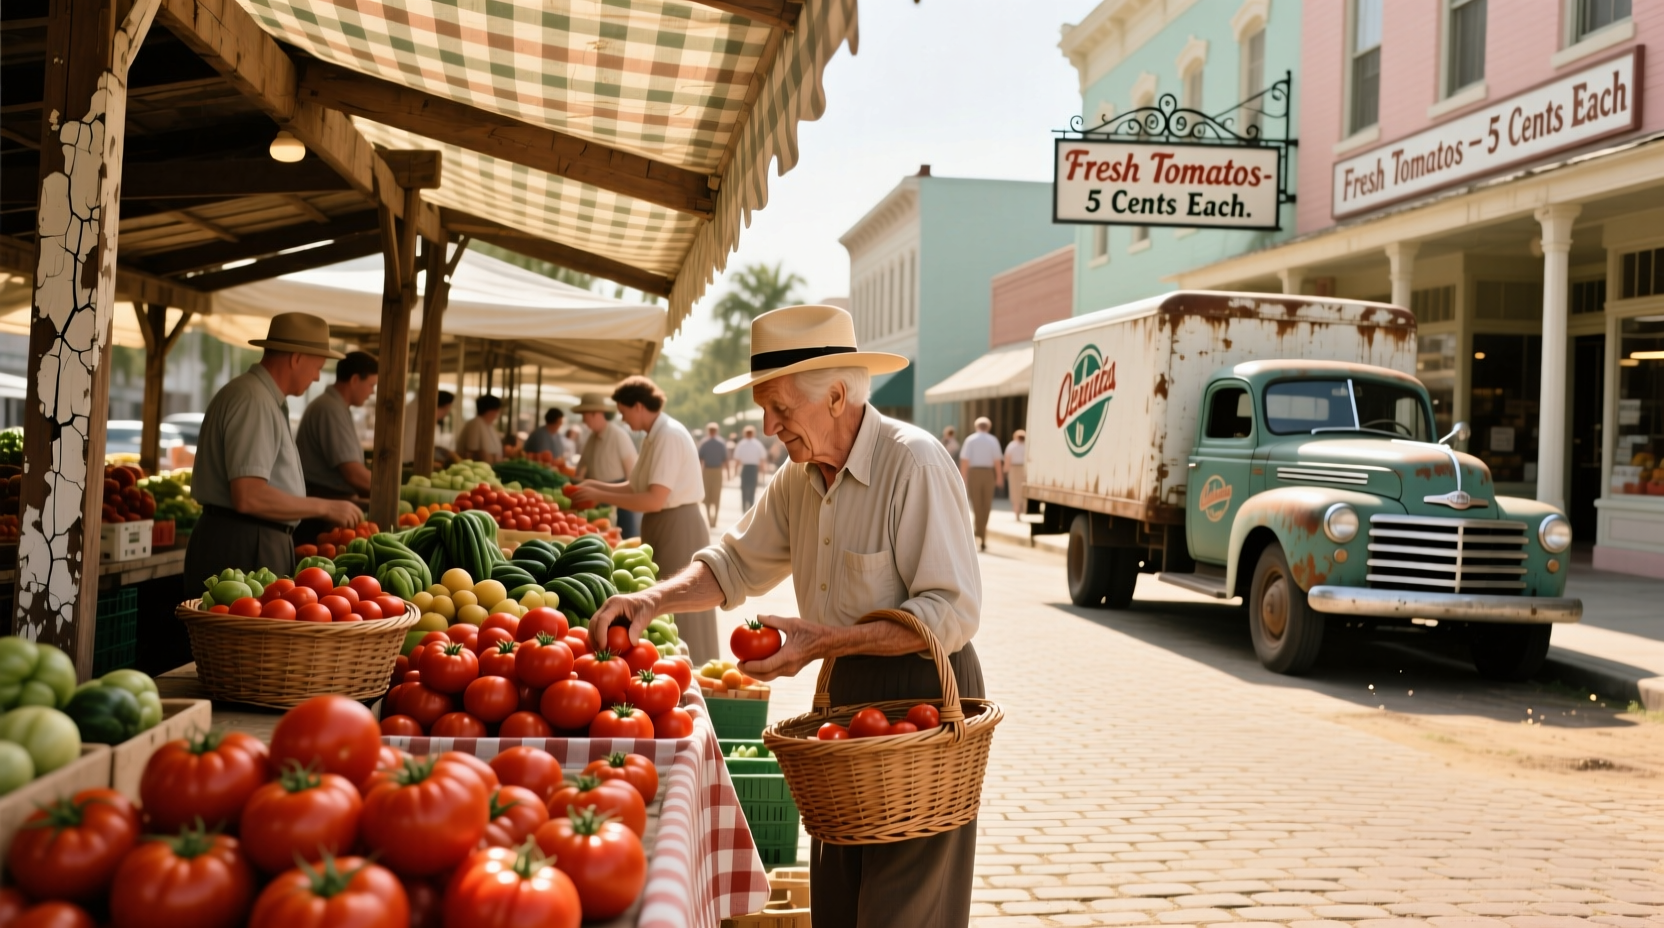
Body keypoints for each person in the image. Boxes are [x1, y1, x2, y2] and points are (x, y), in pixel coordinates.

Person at [586, 304, 982, 928]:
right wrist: (652, 598)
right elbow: (732, 565)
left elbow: (951, 611)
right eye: (764, 407)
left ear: (834, 396)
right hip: (844, 697)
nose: (768, 425)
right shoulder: (798, 477)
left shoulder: (914, 463)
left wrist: (825, 639)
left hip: (921, 701)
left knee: (903, 909)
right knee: (838, 902)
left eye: (779, 407)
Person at [185, 313, 363, 585]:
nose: (317, 377)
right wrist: (324, 507)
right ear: (297, 358)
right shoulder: (253, 400)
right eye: (318, 366)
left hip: (249, 537)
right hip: (242, 541)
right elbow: (249, 495)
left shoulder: (260, 398)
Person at [569, 376, 716, 662]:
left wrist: (601, 495)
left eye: (624, 412)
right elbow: (636, 486)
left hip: (678, 524)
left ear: (638, 406)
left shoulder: (668, 435)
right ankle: (674, 665)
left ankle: (694, 667)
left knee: (678, 601)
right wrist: (595, 488)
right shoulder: (654, 435)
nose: (623, 419)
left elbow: (653, 498)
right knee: (662, 600)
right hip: (664, 522)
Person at [295, 350, 377, 543]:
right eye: (371, 385)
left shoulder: (336, 407)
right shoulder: (329, 409)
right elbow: (353, 473)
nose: (372, 392)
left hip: (328, 503)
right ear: (355, 380)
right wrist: (392, 494)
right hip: (321, 513)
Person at [572, 392, 640, 539]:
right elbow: (580, 469)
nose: (584, 420)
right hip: (594, 499)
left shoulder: (618, 436)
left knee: (622, 540)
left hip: (618, 497)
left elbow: (632, 475)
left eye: (585, 415)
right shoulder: (590, 438)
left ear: (596, 413)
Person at [959, 416, 1004, 551]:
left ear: (976, 426)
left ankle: (980, 532)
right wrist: (999, 477)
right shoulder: (993, 440)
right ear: (988, 427)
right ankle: (982, 534)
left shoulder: (970, 439)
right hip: (988, 473)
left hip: (974, 473)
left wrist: (962, 478)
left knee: (977, 504)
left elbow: (965, 460)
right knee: (987, 504)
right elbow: (997, 460)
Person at [402, 390, 456, 467]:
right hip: (409, 464)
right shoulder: (421, 418)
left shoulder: (413, 411)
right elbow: (411, 449)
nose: (448, 412)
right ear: (446, 406)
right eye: (449, 408)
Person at [457, 395, 505, 462]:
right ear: (492, 411)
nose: (498, 413)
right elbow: (470, 453)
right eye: (498, 410)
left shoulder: (487, 424)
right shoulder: (476, 423)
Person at [698, 422, 727, 528]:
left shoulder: (704, 443)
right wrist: (727, 474)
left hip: (708, 471)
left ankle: (711, 519)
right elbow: (725, 460)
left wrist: (699, 474)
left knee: (708, 496)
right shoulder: (721, 443)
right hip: (717, 471)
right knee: (716, 496)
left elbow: (700, 460)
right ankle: (714, 520)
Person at [733, 425, 766, 510]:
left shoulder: (741, 444)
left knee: (744, 489)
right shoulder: (757, 444)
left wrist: (735, 471)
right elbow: (762, 459)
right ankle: (750, 507)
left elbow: (737, 460)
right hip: (753, 469)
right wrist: (762, 472)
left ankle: (745, 508)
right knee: (751, 489)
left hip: (746, 468)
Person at [1005, 428, 1028, 520]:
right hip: (1024, 468)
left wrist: (1006, 470)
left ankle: (1016, 511)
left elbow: (1007, 458)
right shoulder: (1027, 446)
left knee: (1014, 490)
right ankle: (1022, 509)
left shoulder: (1012, 446)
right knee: (1022, 489)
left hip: (1014, 468)